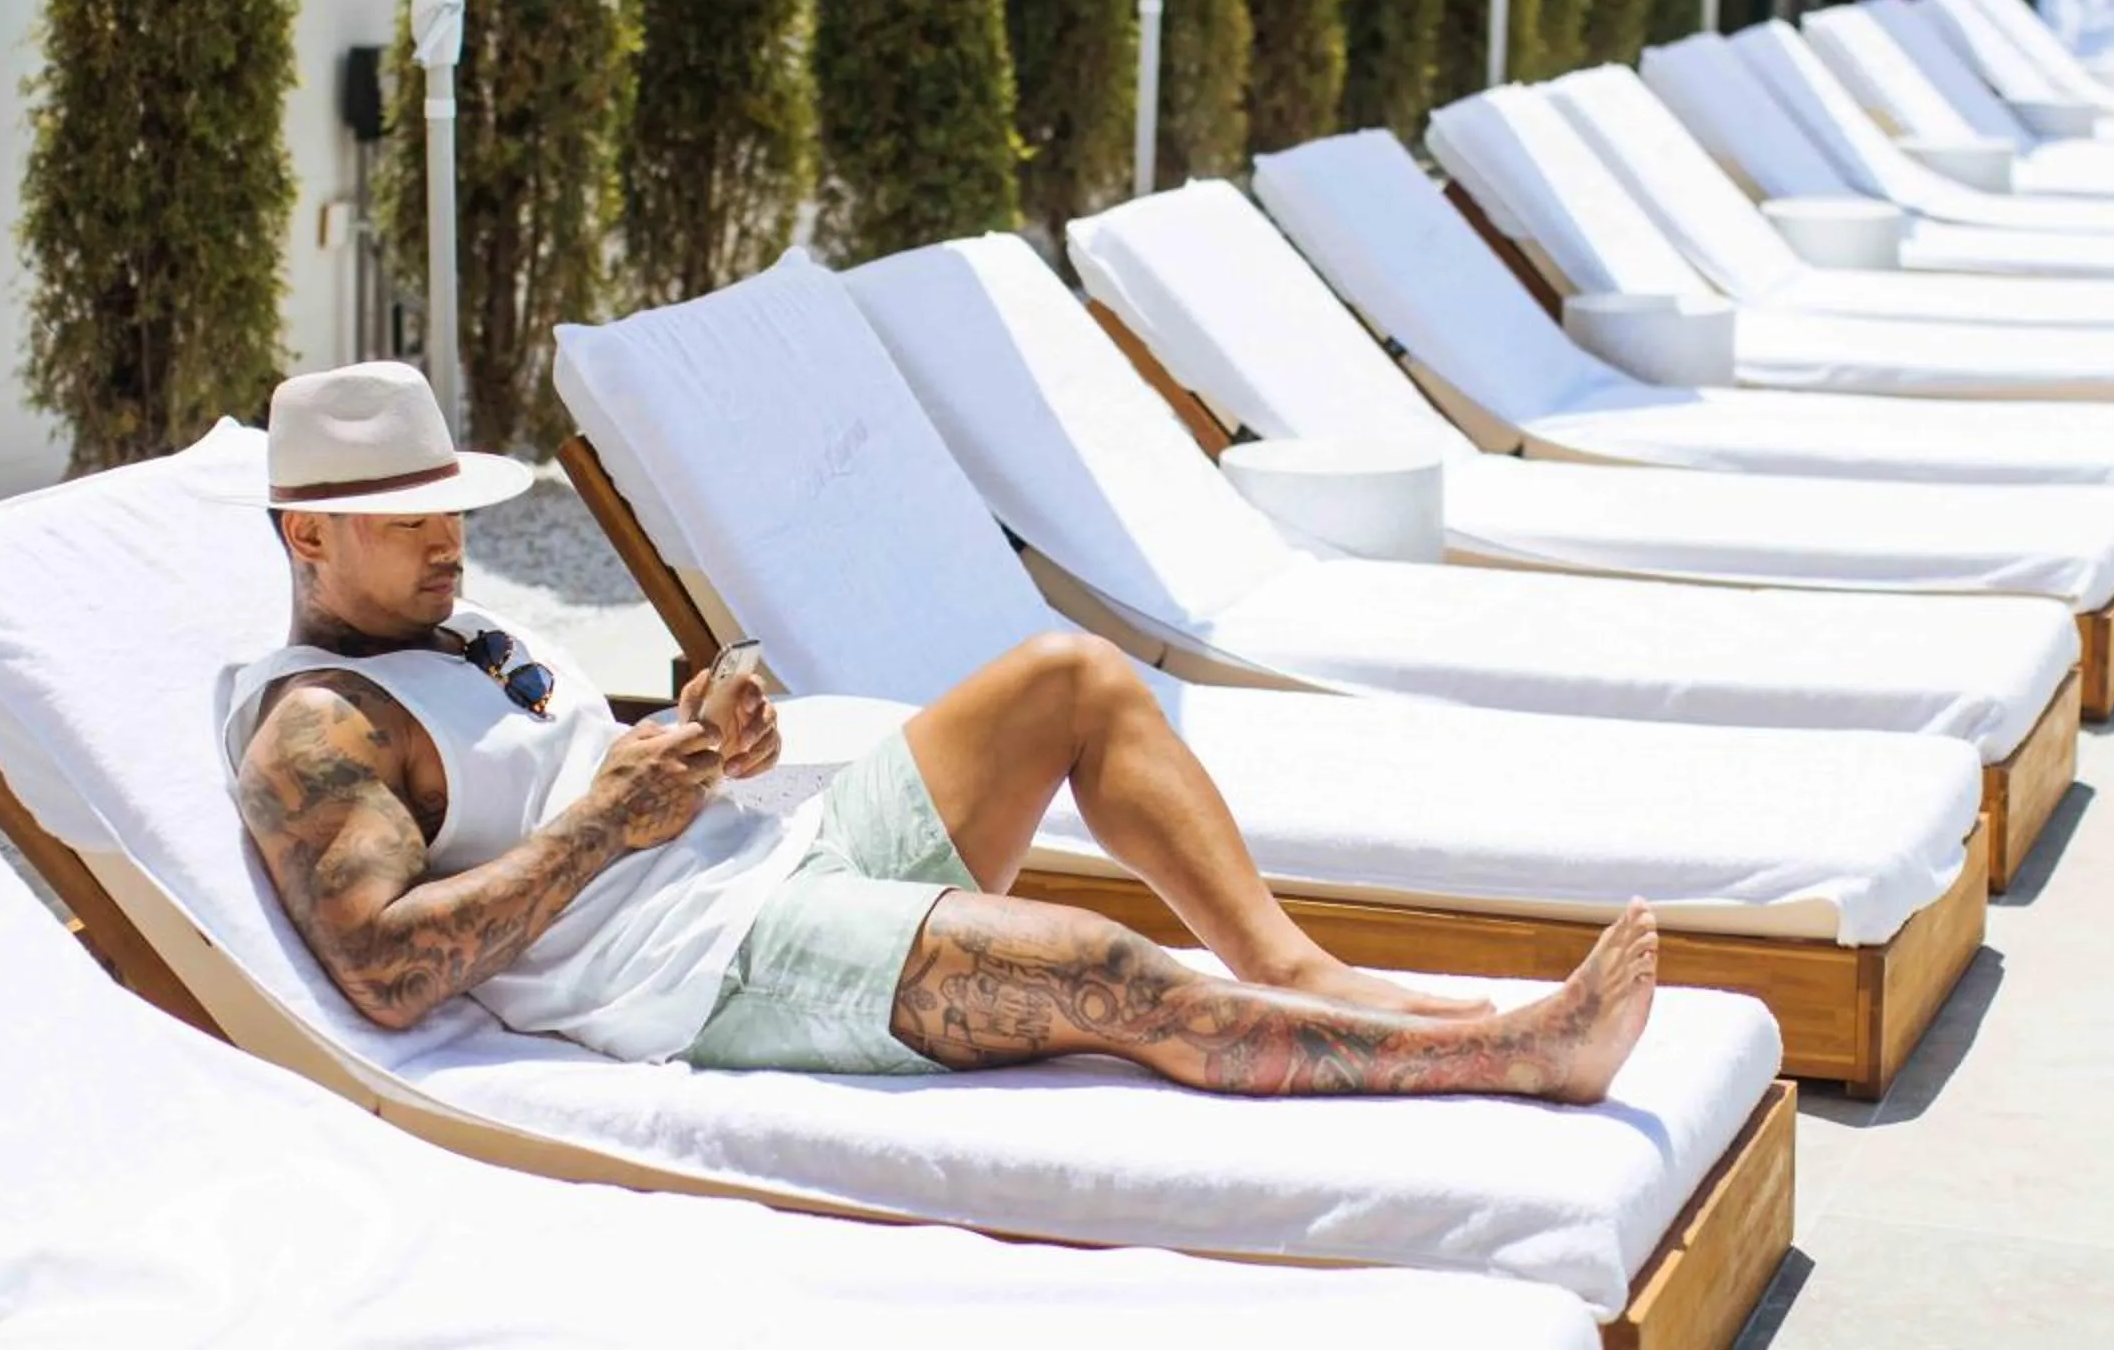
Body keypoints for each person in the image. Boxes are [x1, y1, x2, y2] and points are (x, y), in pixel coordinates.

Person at [221, 362, 1658, 1101]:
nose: (446, 541)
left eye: (453, 508)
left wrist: (695, 741)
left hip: (765, 858)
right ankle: (1508, 1059)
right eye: (404, 519)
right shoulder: (320, 728)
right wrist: (616, 819)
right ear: (303, 534)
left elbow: (548, 769)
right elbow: (388, 972)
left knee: (1072, 674)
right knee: (1104, 973)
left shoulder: (439, 626)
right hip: (705, 975)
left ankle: (1295, 962)